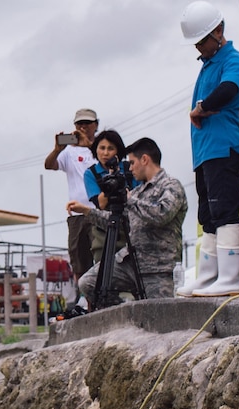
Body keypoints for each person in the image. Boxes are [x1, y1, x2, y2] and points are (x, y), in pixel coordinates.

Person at [180, 2, 239, 296]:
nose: (198, 48)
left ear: (218, 31)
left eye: (201, 41)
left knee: (225, 211)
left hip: (223, 148)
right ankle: (208, 277)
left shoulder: (232, 60)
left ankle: (230, 278)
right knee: (207, 215)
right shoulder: (207, 65)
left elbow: (229, 90)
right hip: (205, 153)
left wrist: (201, 108)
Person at [76, 138, 188, 306]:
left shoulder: (171, 186)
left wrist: (129, 200)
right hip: (129, 263)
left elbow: (161, 214)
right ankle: (124, 313)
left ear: (145, 159)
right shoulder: (138, 192)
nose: (130, 168)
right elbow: (119, 221)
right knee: (88, 283)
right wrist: (87, 211)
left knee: (159, 315)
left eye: (132, 162)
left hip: (156, 267)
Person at [44, 108, 99, 285]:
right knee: (79, 259)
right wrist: (57, 150)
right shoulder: (69, 151)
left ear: (95, 125)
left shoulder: (101, 147)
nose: (83, 127)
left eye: (87, 123)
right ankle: (84, 299)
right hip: (76, 215)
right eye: (79, 124)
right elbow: (49, 165)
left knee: (101, 256)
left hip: (98, 212)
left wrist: (89, 145)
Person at [70, 129, 133, 268]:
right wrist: (113, 177)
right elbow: (101, 203)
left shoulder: (130, 168)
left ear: (118, 151)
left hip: (132, 226)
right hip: (106, 228)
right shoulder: (91, 173)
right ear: (95, 150)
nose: (105, 153)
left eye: (111, 148)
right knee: (103, 269)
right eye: (102, 148)